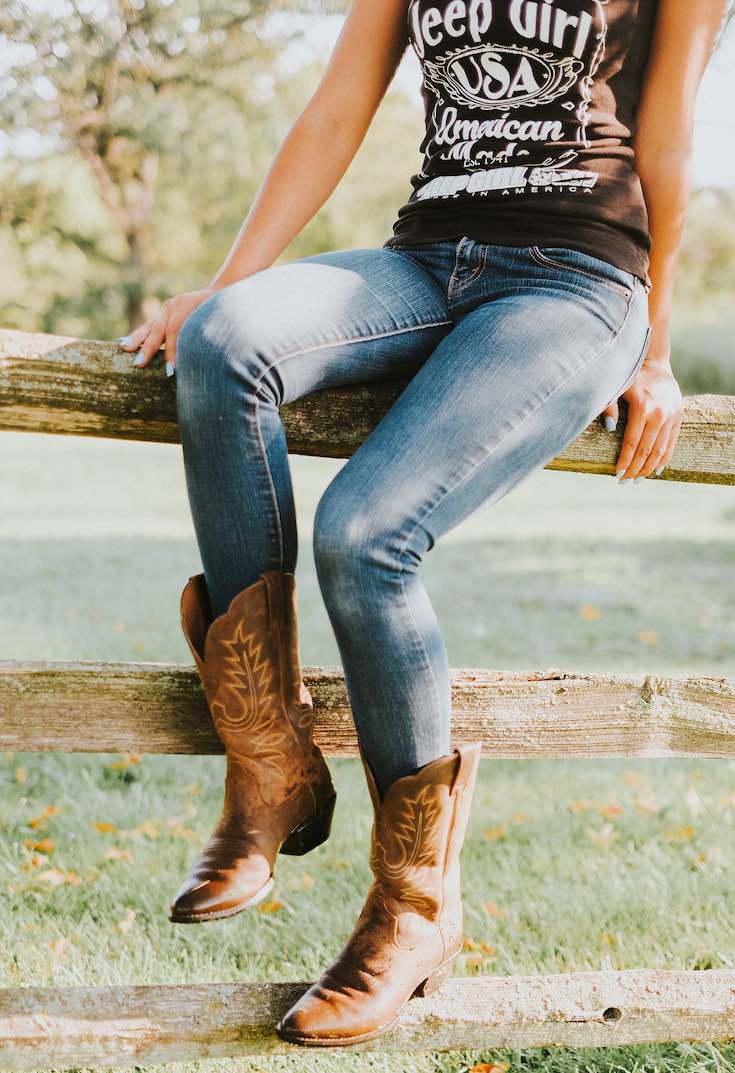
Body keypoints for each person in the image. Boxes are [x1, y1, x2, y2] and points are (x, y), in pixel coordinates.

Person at [117, 0, 726, 1047]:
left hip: (575, 280)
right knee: (225, 340)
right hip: (426, 255)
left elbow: (666, 131)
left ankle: (414, 905)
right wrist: (224, 282)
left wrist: (657, 345)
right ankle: (268, 764)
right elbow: (335, 109)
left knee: (366, 535)